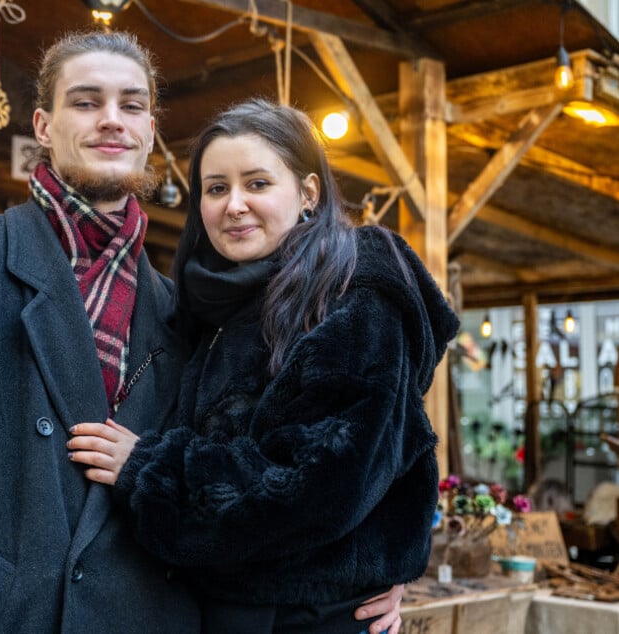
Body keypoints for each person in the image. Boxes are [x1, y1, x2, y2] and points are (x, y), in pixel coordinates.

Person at [0, 31, 403, 633]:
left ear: (150, 130)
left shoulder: (184, 308)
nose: (112, 120)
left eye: (132, 105)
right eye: (86, 102)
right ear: (44, 126)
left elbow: (287, 462)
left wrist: (370, 564)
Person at [68, 99, 460, 633]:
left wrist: (149, 470)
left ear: (307, 194)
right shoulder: (223, 301)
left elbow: (324, 484)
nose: (234, 205)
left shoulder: (355, 291)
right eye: (216, 188)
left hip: (303, 617)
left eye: (256, 183)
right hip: (224, 605)